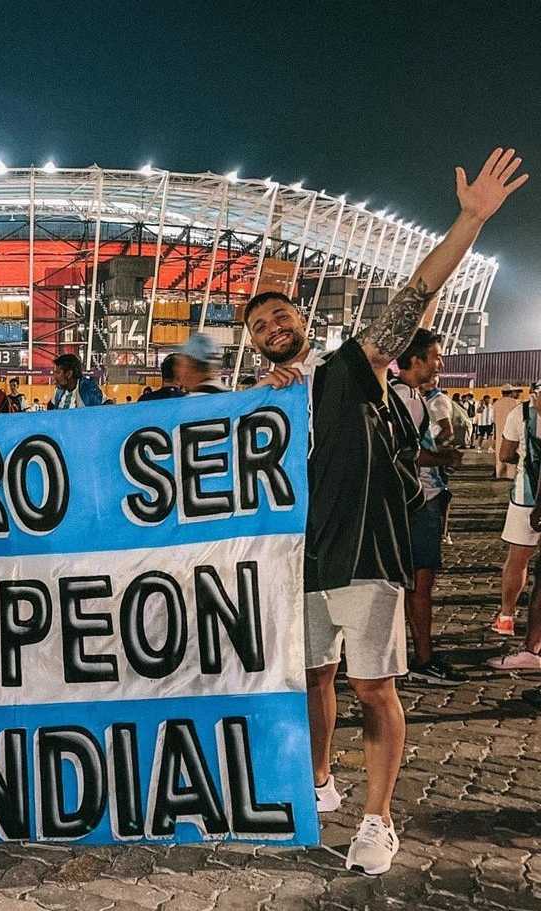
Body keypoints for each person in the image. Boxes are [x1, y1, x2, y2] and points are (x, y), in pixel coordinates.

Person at [244, 148, 526, 875]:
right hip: (298, 561)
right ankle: (316, 782)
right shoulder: (256, 406)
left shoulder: (353, 366)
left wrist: (468, 220)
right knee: (311, 678)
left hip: (366, 553)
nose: (272, 326)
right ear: (252, 345)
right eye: (258, 326)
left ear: (300, 319)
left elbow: (417, 291)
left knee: (373, 687)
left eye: (280, 314)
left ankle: (377, 820)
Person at [390, 331, 465, 685]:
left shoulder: (394, 393)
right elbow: (405, 453)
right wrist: (445, 457)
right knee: (421, 583)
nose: (441, 363)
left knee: (406, 583)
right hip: (419, 500)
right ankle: (423, 659)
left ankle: (403, 657)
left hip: (403, 501)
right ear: (416, 360)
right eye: (436, 356)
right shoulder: (409, 399)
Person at [489, 382, 541, 638]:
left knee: (518, 559)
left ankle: (506, 617)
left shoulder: (520, 413)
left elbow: (505, 453)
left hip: (526, 496)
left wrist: (522, 461)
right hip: (528, 496)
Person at [493, 385, 521, 476]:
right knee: (511, 452)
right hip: (512, 432)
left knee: (499, 454)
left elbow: (493, 419)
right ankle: (511, 474)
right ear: (511, 392)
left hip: (499, 432)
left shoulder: (496, 403)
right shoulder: (516, 403)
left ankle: (500, 473)